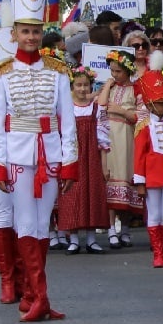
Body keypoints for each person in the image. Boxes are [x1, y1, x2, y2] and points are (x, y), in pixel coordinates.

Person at [0, 0, 78, 322]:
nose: (31, 37)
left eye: (36, 31)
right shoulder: (1, 73)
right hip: (18, 156)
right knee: (25, 222)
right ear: (15, 33)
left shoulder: (57, 71)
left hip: (50, 153)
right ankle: (39, 296)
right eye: (25, 31)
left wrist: (70, 160)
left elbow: (67, 120)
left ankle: (36, 297)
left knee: (42, 225)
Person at [133, 55, 163, 268]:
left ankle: (162, 253)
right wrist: (140, 182)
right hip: (152, 177)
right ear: (151, 105)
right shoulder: (144, 126)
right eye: (161, 104)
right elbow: (139, 156)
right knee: (155, 213)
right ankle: (158, 254)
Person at [57, 66, 110, 253]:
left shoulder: (95, 108)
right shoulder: (66, 108)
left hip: (91, 159)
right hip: (72, 157)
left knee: (91, 195)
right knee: (72, 196)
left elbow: (103, 137)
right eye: (78, 85)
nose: (82, 89)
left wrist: (104, 165)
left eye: (86, 85)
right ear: (72, 86)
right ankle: (73, 239)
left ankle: (91, 238)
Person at [97, 49, 140, 247]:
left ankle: (126, 228)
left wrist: (121, 111)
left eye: (118, 72)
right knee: (110, 179)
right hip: (109, 137)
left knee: (125, 179)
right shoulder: (110, 87)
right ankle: (111, 229)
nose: (114, 75)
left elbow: (139, 117)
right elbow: (102, 104)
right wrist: (107, 85)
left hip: (127, 137)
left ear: (128, 71)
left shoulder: (136, 89)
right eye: (112, 71)